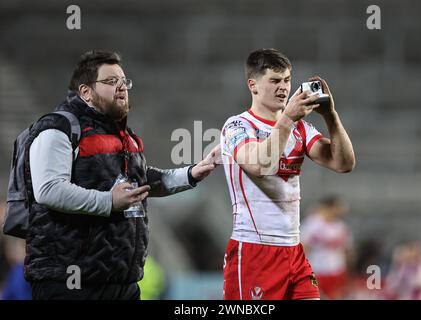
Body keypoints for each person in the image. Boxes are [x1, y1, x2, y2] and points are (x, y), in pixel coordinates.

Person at [23, 50, 217, 300]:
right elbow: (48, 189)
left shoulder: (124, 136)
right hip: (69, 282)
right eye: (110, 81)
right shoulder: (57, 129)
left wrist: (191, 174)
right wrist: (108, 201)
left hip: (122, 282)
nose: (121, 87)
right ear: (86, 92)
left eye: (124, 81)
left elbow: (139, 183)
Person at [220, 48, 355, 300]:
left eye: (287, 80)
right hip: (254, 250)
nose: (283, 87)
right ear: (253, 85)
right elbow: (260, 165)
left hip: (294, 250)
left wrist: (331, 116)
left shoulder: (301, 128)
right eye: (274, 80)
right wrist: (287, 120)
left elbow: (343, 163)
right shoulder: (238, 125)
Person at [301, 195, 354, 299]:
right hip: (316, 270)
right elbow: (302, 247)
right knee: (315, 296)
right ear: (330, 207)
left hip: (337, 269)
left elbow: (347, 250)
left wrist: (348, 270)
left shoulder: (341, 226)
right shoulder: (312, 223)